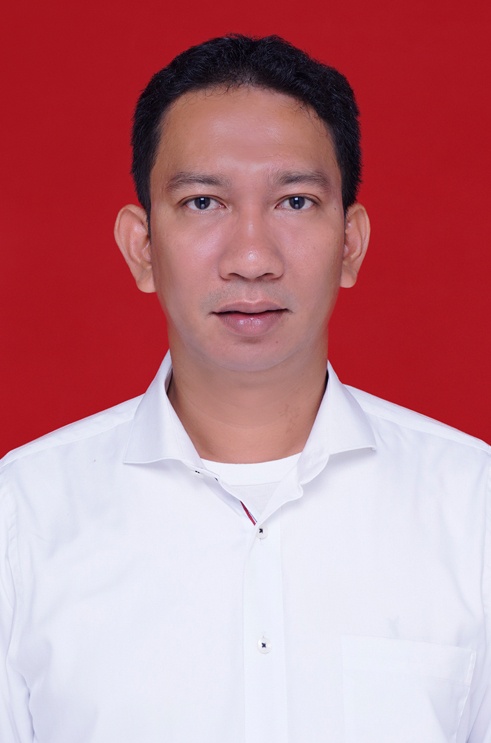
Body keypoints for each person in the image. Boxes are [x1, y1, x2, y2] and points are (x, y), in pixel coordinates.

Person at [0, 34, 489, 743]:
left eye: (295, 201)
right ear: (142, 247)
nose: (252, 258)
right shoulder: (22, 517)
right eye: (203, 202)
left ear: (350, 243)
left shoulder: (472, 507)